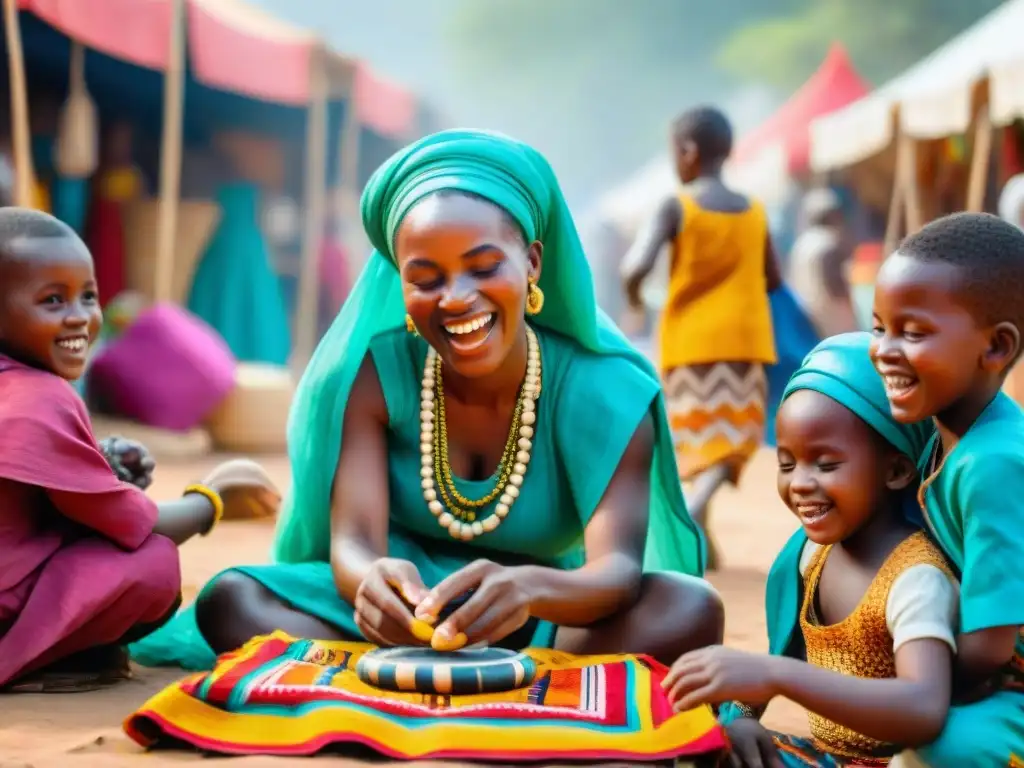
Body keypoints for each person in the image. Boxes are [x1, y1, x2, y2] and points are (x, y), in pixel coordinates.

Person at [129, 128, 722, 672]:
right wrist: (372, 583)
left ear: (533, 263)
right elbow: (355, 539)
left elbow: (616, 571)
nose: (457, 298)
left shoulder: (604, 391)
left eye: (483, 268)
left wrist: (529, 590)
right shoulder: (377, 373)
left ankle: (382, 679)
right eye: (427, 278)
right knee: (233, 598)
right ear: (399, 283)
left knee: (690, 608)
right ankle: (477, 678)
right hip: (405, 622)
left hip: (548, 618)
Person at [0, 207, 277, 692]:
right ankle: (44, 657)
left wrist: (99, 463)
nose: (80, 317)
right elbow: (134, 525)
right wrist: (211, 500)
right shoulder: (42, 396)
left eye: (88, 295)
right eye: (52, 300)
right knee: (152, 564)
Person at [663, 333, 957, 767]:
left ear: (896, 470)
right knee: (703, 747)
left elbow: (923, 707)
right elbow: (784, 651)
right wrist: (743, 716)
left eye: (826, 464)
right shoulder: (810, 558)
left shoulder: (915, 579)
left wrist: (778, 677)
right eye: (787, 463)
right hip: (826, 757)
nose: (799, 482)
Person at [870, 212, 1024, 766]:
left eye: (912, 333)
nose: (884, 350)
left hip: (1010, 683)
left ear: (996, 347)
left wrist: (896, 683)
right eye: (878, 326)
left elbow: (989, 647)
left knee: (950, 745)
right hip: (979, 673)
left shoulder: (993, 464)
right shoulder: (942, 433)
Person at [621, 106, 781, 569]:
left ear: (687, 152)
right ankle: (702, 534)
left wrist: (635, 302)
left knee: (696, 440)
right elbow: (773, 278)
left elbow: (634, 267)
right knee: (734, 439)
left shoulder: (678, 205)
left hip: (690, 341)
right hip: (746, 340)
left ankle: (690, 517)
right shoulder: (754, 210)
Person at [787, 187, 860, 338]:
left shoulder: (801, 244)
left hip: (807, 315)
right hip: (831, 317)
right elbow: (835, 285)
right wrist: (850, 308)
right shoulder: (828, 242)